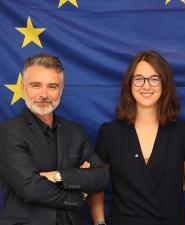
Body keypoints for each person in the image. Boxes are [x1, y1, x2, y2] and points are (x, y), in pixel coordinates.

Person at [89, 50, 185, 225]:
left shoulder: (183, 132)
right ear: (129, 84)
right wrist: (99, 222)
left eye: (154, 79)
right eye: (139, 78)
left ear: (165, 85)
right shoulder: (109, 132)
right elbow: (96, 186)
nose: (146, 85)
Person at [0, 53, 110, 225]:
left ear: (61, 90)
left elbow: (101, 176)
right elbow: (31, 189)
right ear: (23, 87)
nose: (44, 94)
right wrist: (79, 195)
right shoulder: (8, 132)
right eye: (36, 85)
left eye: (52, 86)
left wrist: (58, 176)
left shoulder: (76, 132)